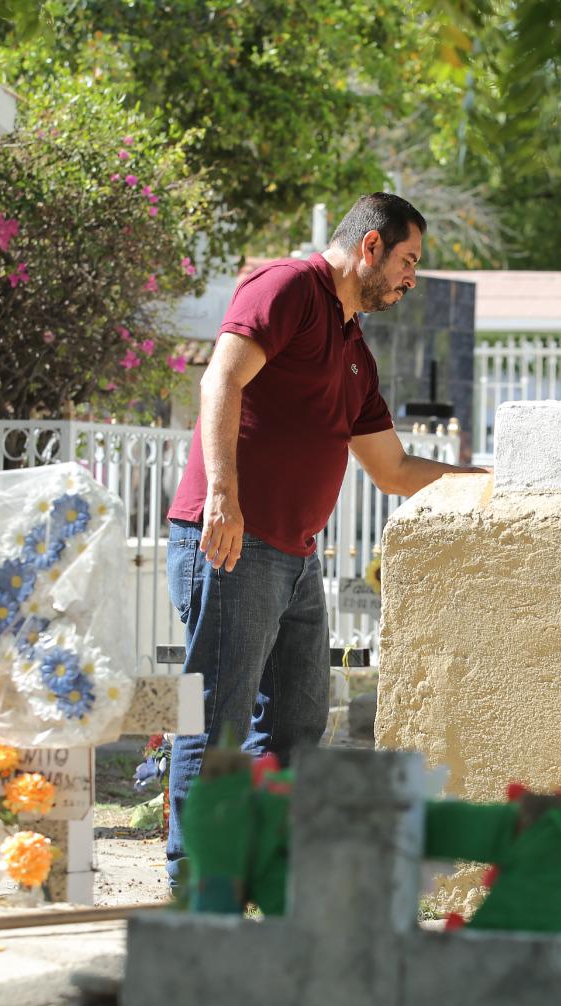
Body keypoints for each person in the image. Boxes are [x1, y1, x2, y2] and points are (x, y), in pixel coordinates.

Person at [162, 192, 483, 889]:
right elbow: (221, 377)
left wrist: (487, 480)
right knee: (214, 711)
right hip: (229, 542)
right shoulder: (286, 288)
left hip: (296, 558)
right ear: (369, 247)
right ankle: (194, 873)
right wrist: (223, 495)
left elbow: (393, 471)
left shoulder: (354, 349)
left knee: (300, 719)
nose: (410, 279)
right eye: (406, 261)